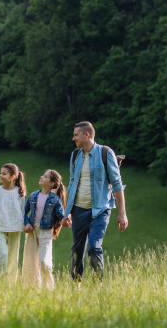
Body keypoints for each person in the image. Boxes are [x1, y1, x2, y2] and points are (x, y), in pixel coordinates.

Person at [61, 121, 128, 282]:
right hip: (78, 210)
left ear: (87, 135)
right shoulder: (75, 155)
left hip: (100, 211)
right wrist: (67, 211)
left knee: (94, 247)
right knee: (77, 250)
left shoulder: (106, 153)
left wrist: (122, 213)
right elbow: (71, 184)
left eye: (76, 135)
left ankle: (98, 284)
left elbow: (117, 184)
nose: (73, 138)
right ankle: (76, 286)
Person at [22, 169, 66, 289]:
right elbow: (24, 212)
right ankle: (32, 288)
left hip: (46, 232)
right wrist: (26, 223)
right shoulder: (33, 196)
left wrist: (65, 221)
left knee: (44, 262)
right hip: (32, 231)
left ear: (51, 184)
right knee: (31, 261)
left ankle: (50, 288)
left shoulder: (55, 199)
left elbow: (61, 216)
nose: (42, 177)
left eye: (45, 176)